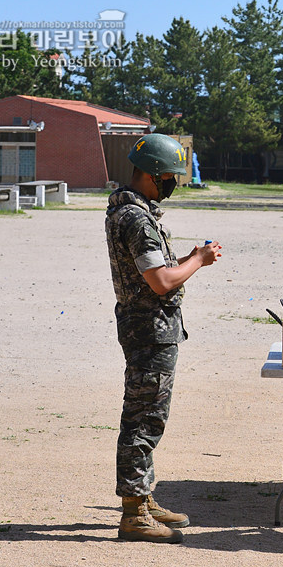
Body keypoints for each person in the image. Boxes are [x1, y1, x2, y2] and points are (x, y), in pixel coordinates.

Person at [105, 134, 222, 544]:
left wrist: (187, 257)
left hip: (146, 327)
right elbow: (160, 281)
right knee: (143, 419)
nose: (173, 183)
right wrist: (198, 260)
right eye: (170, 176)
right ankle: (134, 513)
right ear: (152, 175)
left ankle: (144, 496)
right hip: (149, 329)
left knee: (147, 415)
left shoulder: (131, 210)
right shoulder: (136, 219)